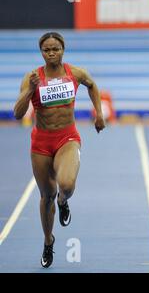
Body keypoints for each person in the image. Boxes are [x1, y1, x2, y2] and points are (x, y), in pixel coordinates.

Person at [13, 32, 105, 267]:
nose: (52, 53)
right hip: (41, 143)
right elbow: (17, 114)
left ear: (63, 49)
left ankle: (64, 201)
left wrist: (99, 114)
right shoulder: (32, 77)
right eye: (47, 50)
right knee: (46, 197)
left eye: (56, 49)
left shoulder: (75, 73)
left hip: (67, 138)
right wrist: (29, 91)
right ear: (41, 52)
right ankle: (48, 241)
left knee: (65, 185)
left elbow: (92, 86)